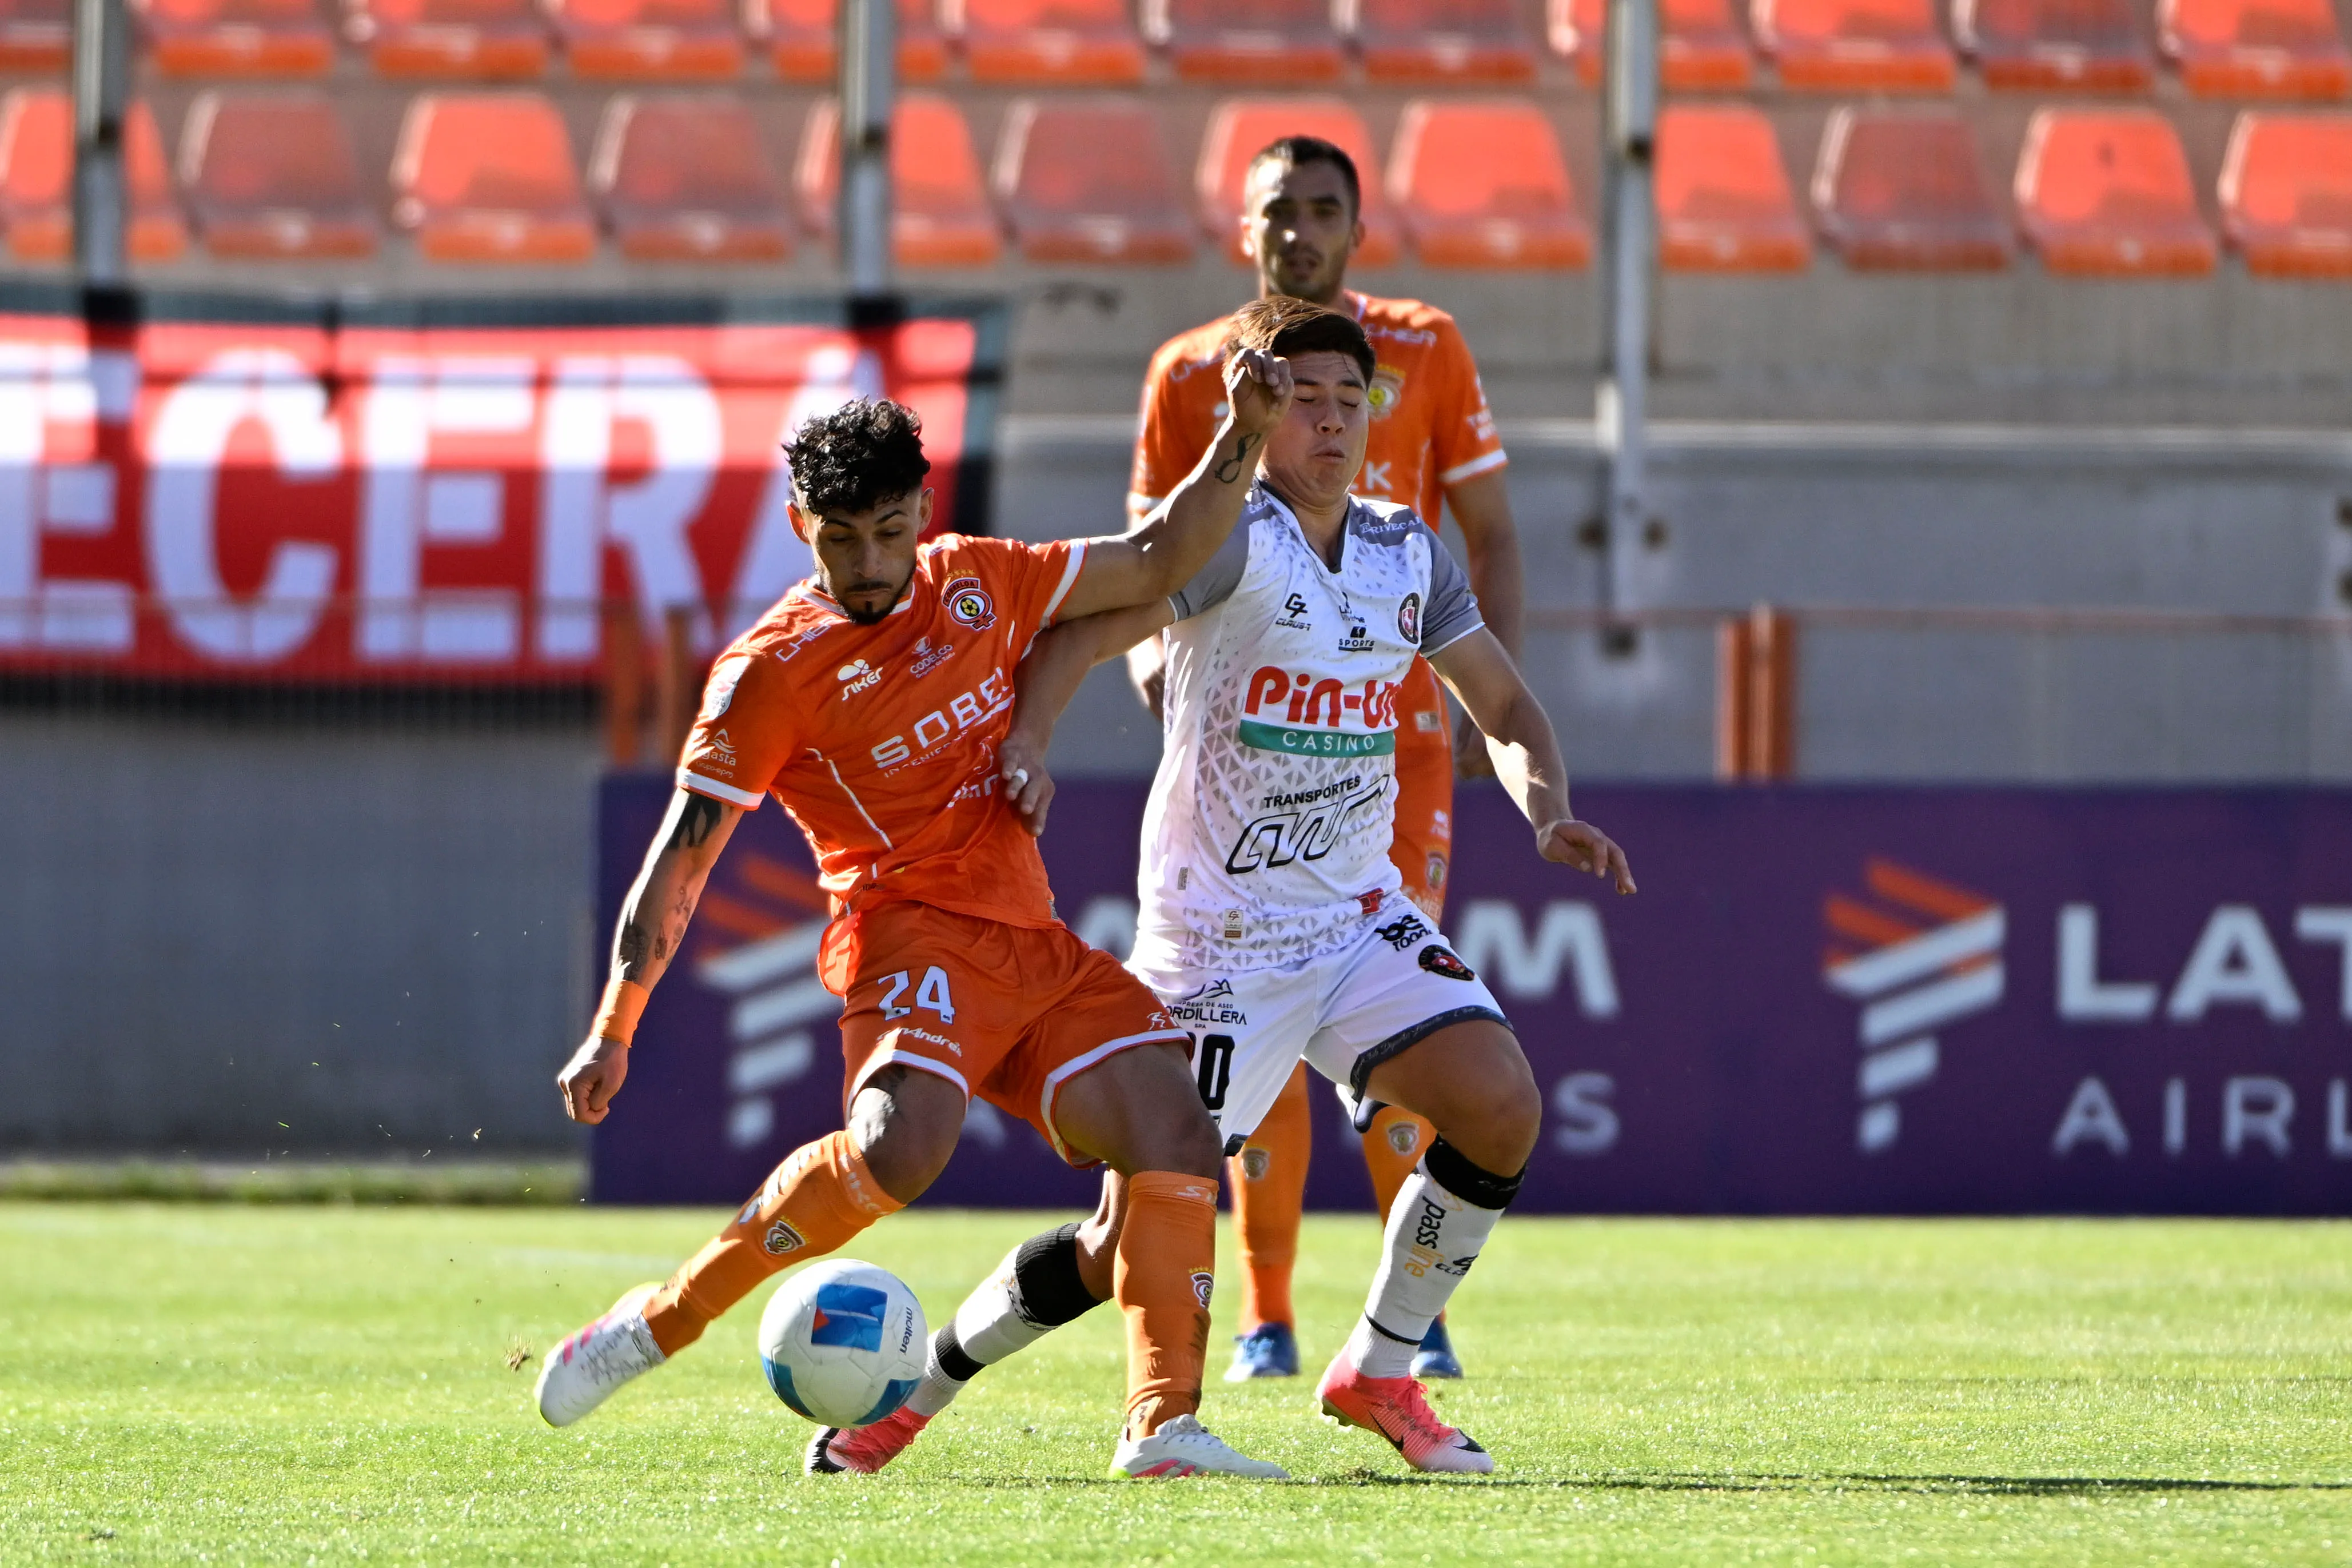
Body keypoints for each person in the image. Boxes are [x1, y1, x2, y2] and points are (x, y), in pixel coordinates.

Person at [808, 297, 1633, 1478]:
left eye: (1350, 400)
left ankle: (1379, 1370)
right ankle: (914, 1398)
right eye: (1304, 400)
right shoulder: (1231, 538)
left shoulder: (1405, 552)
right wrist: (1028, 740)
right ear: (1258, 410)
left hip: (1356, 919)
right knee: (1121, 1237)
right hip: (1217, 943)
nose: (1331, 422)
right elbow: (1081, 633)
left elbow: (1501, 706)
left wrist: (1547, 810)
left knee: (1499, 1105)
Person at [531, 377, 1299, 1482]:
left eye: (889, 532)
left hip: (1030, 941)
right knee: (900, 1147)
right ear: (800, 524)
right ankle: (658, 1321)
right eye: (840, 538)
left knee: (1176, 1137)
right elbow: (682, 857)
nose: (868, 563)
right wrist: (615, 1027)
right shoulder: (769, 672)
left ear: (924, 512)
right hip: (907, 935)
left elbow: (1156, 555)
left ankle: (1161, 1428)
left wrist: (1244, 432)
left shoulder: (981, 578)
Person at [1125, 134, 1532, 1384]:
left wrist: (1488, 705)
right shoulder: (1188, 369)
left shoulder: (1425, 344)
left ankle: (1409, 1315)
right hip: (1251, 748)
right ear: (1242, 229)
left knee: (1394, 1017)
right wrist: (1153, 673)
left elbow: (1491, 532)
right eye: (1276, 212)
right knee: (1261, 1019)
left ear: (1358, 228)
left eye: (1320, 210)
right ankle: (1266, 1310)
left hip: (1391, 747)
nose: (1296, 231)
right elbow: (1146, 560)